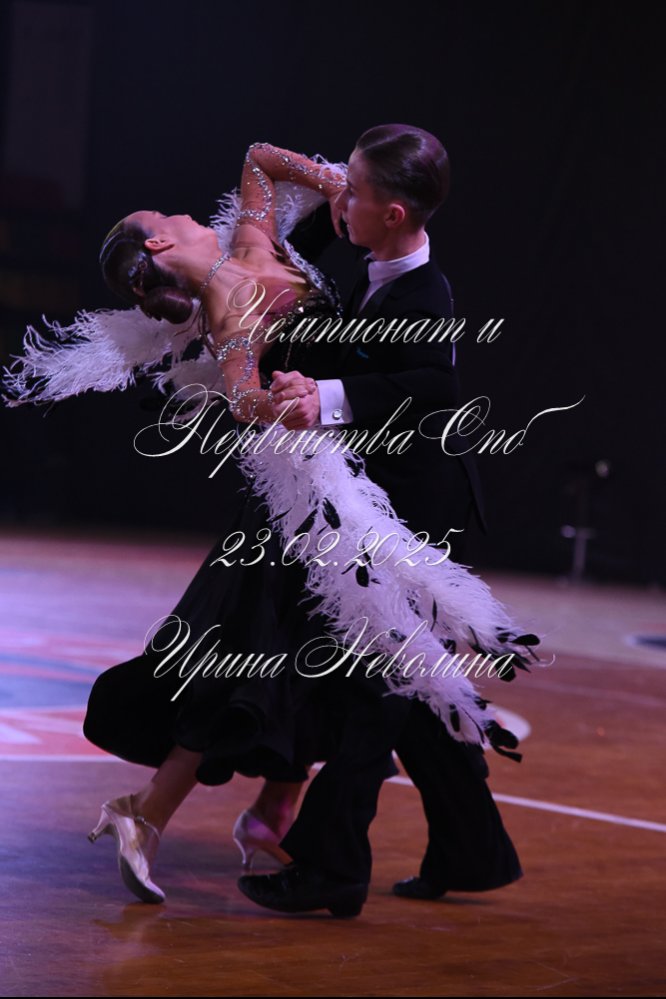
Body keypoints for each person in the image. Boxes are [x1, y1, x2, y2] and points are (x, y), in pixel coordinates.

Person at [2, 138, 538, 915]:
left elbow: (259, 159)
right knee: (301, 666)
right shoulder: (231, 308)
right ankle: (265, 830)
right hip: (311, 499)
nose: (187, 212)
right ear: (161, 245)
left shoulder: (259, 240)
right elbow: (243, 398)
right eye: (170, 217)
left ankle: (323, 830)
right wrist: (290, 399)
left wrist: (338, 182)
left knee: (356, 676)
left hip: (377, 486)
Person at [235, 128, 532, 916]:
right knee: (410, 694)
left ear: (393, 213)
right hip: (379, 508)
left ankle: (330, 868)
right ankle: (473, 851)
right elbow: (282, 244)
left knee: (377, 693)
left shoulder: (425, 293)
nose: (340, 193)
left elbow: (430, 383)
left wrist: (326, 399)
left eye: (355, 189)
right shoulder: (363, 259)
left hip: (420, 518)